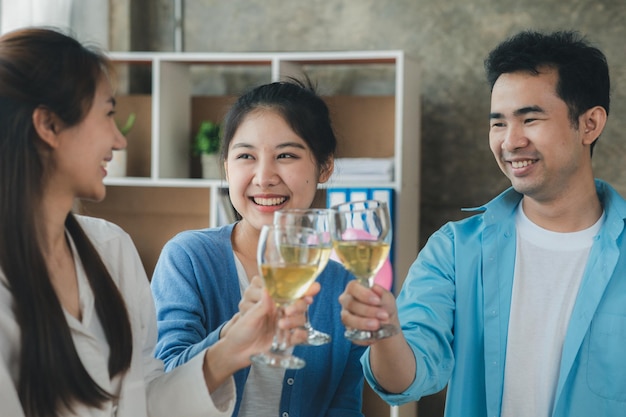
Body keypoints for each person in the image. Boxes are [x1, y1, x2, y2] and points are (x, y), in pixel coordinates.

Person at [0, 27, 314, 417]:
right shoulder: (189, 255)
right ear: (48, 125)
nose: (120, 140)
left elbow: (141, 401)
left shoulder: (110, 248)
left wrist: (230, 350)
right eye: (108, 114)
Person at [339, 29, 626, 417]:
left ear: (589, 124)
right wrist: (385, 332)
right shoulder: (454, 250)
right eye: (498, 123)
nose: (510, 141)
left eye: (530, 119)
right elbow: (404, 382)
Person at [151, 79, 366, 417]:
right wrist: (233, 334)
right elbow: (161, 389)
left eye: (286, 155)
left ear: (325, 166)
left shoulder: (342, 286)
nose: (263, 177)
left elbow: (344, 408)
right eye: (245, 156)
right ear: (226, 167)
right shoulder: (188, 258)